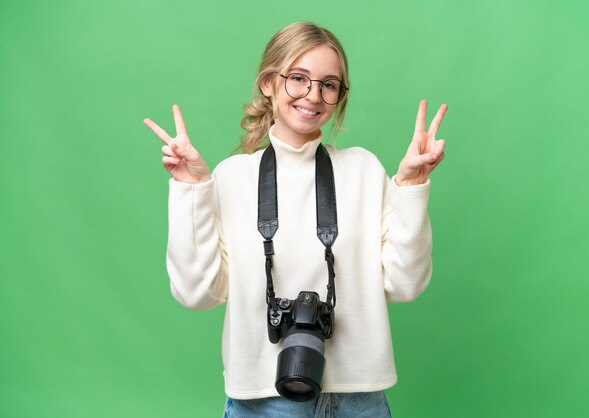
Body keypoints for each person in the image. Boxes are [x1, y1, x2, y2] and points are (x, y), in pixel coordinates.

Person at [144, 21, 447, 418]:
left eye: (328, 84)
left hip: (361, 399)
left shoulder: (363, 170)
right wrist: (192, 189)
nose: (313, 95)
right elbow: (196, 293)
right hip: (262, 399)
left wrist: (410, 185)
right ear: (268, 83)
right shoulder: (233, 177)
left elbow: (405, 284)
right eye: (298, 79)